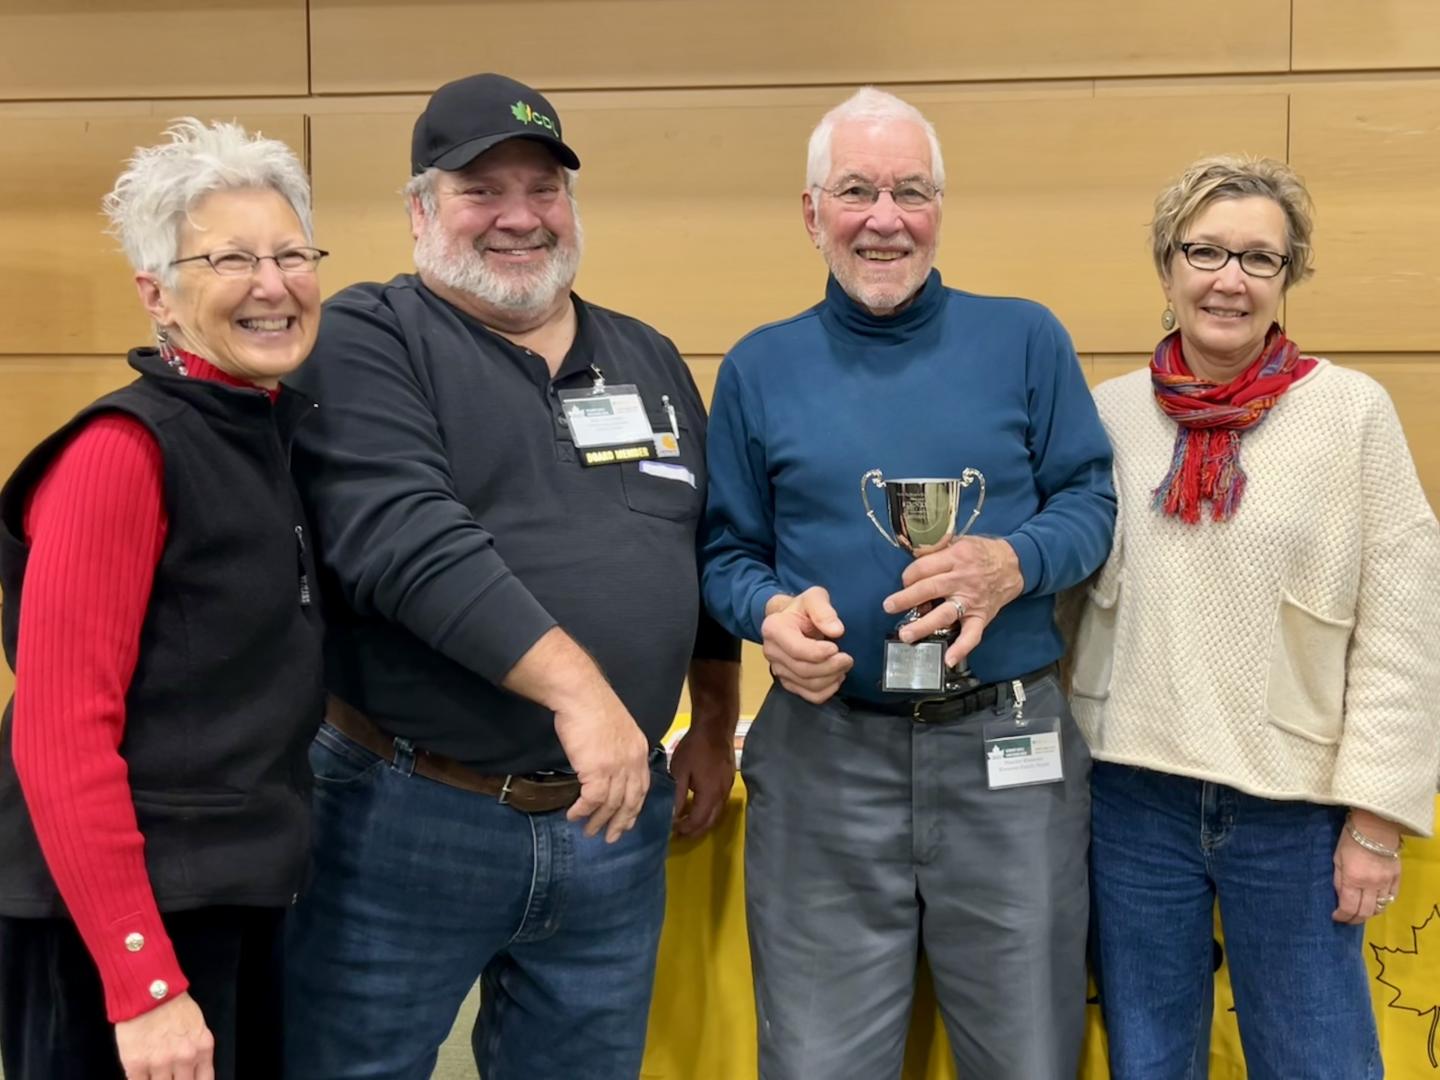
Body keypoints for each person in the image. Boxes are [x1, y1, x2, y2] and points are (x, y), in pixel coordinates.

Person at [281, 72, 741, 1079]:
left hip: (611, 824)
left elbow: (697, 551)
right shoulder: (366, 338)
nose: (520, 217)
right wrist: (583, 697)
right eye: (481, 191)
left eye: (543, 187)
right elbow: (406, 539)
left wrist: (710, 722)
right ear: (418, 210)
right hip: (405, 817)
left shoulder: (650, 357)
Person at [701, 87, 1116, 1080]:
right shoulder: (758, 367)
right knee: (815, 1063)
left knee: (1028, 1057)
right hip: (823, 757)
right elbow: (721, 554)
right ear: (812, 213)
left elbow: (1091, 506)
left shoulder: (1026, 339)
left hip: (1008, 750)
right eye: (856, 191)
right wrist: (765, 612)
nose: (885, 218)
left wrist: (1012, 561)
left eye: (910, 191)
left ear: (940, 206)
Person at [1070, 154, 1440, 1079]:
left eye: (1259, 259)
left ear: (1288, 278)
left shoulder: (1352, 413)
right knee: (1149, 1062)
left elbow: (1404, 624)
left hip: (1298, 814)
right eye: (1204, 251)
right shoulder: (1109, 415)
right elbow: (1070, 606)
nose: (1228, 279)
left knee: (1319, 1062)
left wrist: (1376, 821)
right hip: (1131, 802)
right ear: (1167, 269)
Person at [0, 118, 326, 1080]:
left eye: (291, 254)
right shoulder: (120, 455)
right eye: (231, 259)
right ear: (158, 294)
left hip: (228, 900)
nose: (273, 285)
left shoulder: (264, 430)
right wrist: (142, 981)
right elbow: (60, 734)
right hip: (115, 929)